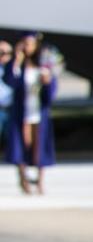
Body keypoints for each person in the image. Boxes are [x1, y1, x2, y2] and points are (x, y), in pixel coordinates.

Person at [3, 33, 56, 195]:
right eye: (24, 44)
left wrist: (47, 84)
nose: (27, 47)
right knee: (19, 145)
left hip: (39, 112)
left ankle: (40, 181)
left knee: (40, 146)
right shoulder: (18, 65)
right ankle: (23, 178)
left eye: (30, 44)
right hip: (21, 112)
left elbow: (51, 92)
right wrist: (17, 60)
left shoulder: (43, 65)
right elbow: (10, 81)